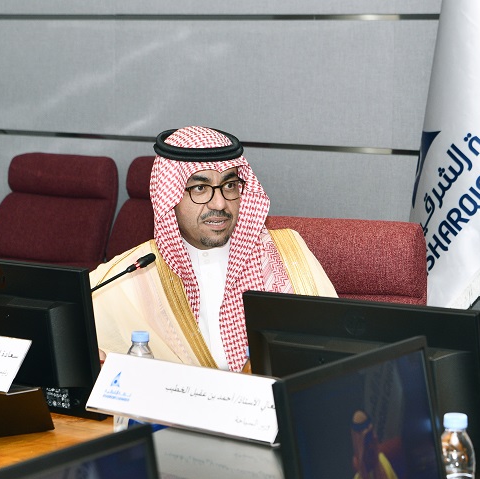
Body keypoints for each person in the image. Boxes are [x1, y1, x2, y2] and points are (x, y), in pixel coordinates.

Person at [91, 126, 336, 372]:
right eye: (200, 188)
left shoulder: (288, 254)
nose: (219, 203)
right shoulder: (129, 275)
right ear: (169, 195)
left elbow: (334, 349)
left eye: (229, 185)